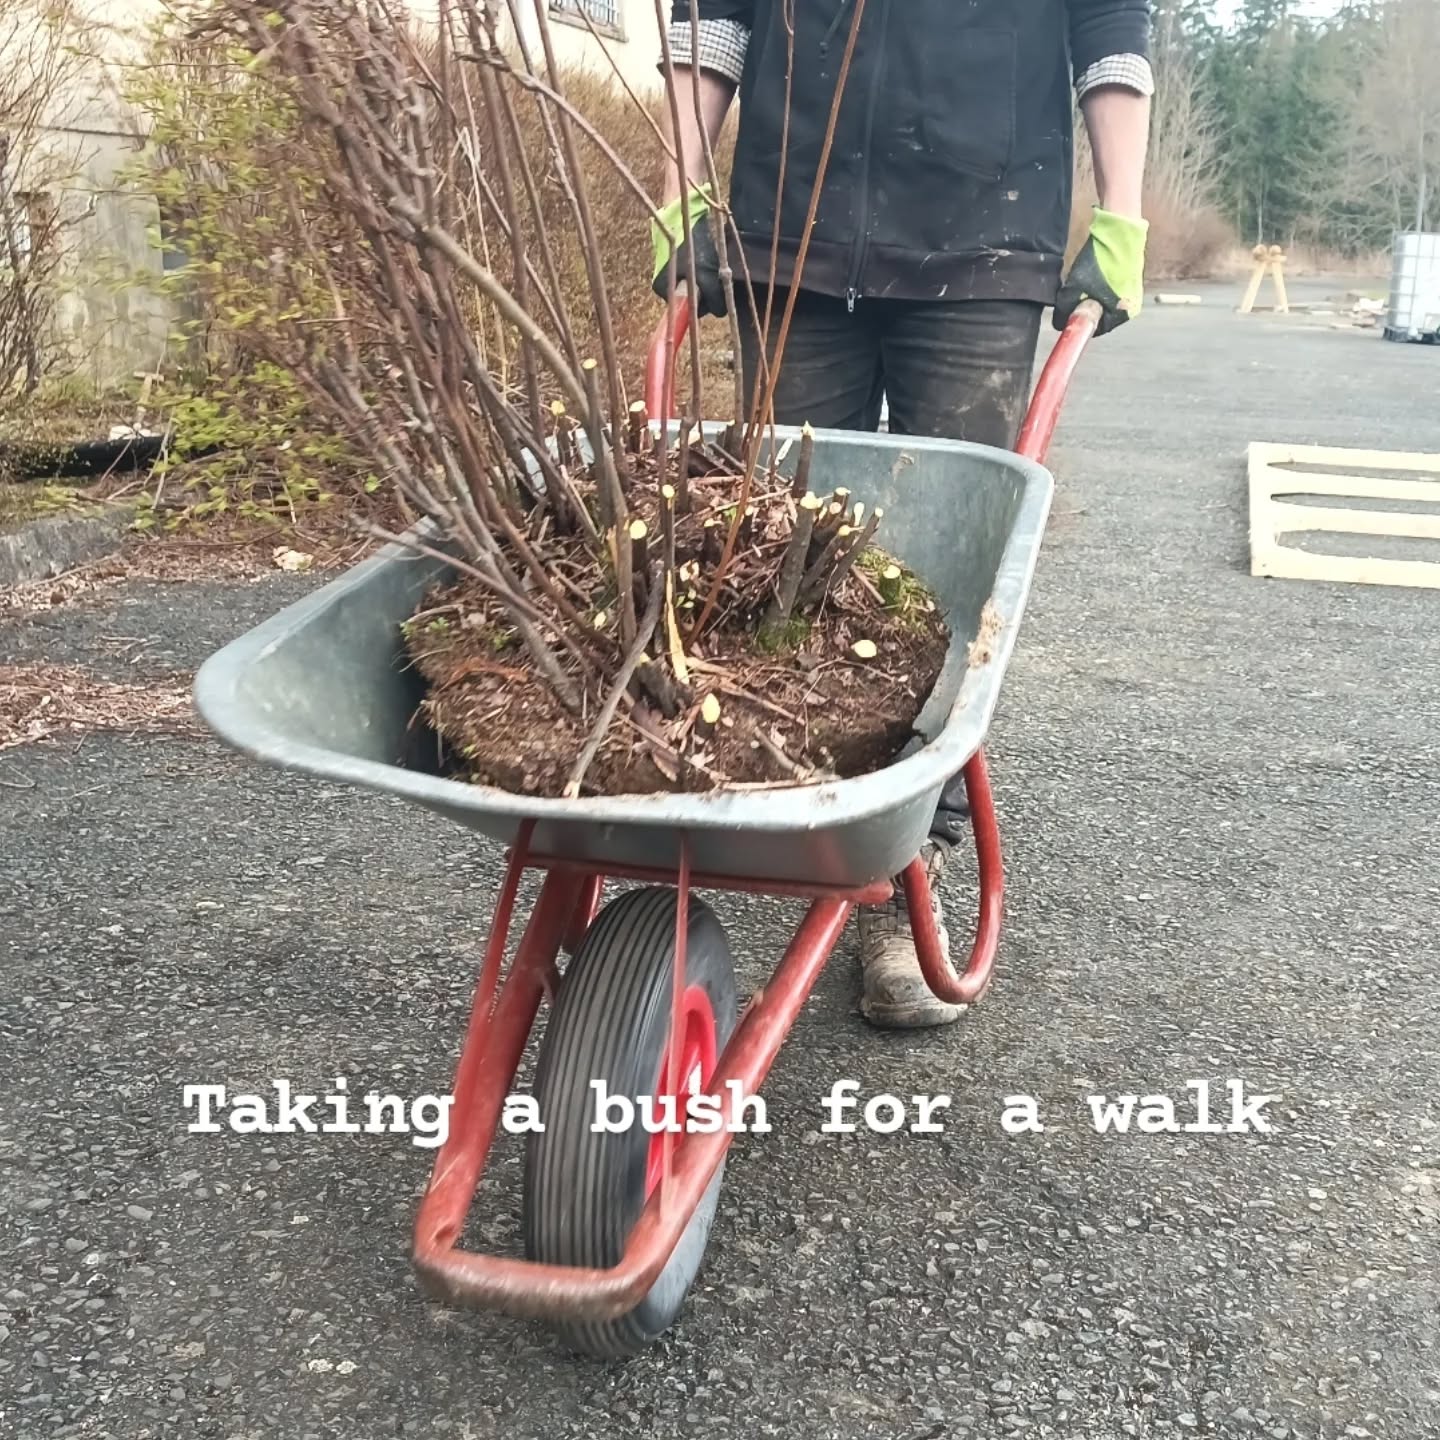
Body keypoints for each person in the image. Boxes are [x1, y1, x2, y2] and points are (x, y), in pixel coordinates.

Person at [651, 0, 1152, 1029]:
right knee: (785, 560)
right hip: (789, 237)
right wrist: (678, 197)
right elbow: (713, 30)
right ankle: (786, 822)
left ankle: (893, 878)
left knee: (939, 579)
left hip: (982, 245)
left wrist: (1124, 214)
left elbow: (1110, 32)